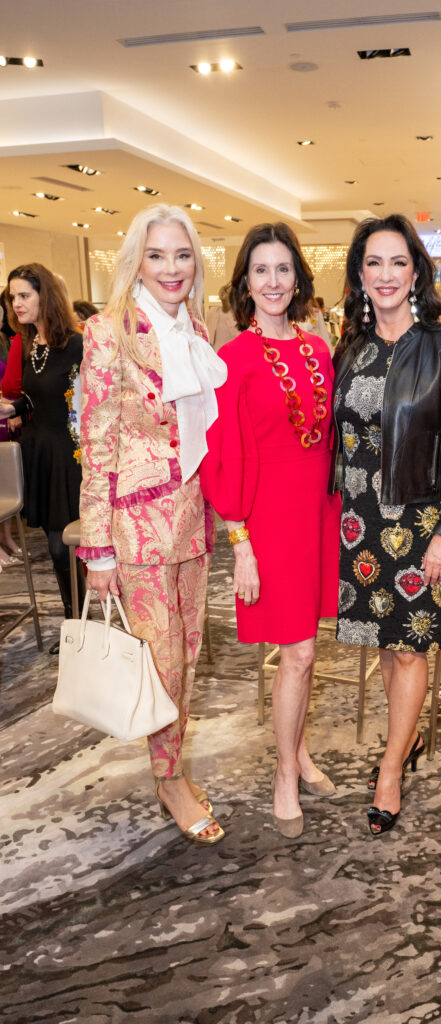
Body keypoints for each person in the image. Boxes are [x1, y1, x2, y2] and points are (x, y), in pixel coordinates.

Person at [77, 203, 228, 845]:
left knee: (189, 654)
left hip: (193, 521)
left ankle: (172, 765)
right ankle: (169, 779)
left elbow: (202, 430)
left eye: (182, 254)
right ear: (137, 258)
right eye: (158, 254)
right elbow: (98, 440)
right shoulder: (110, 330)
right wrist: (97, 548)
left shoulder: (193, 326)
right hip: (135, 527)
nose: (171, 267)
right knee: (162, 661)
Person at [331, 214, 441, 836]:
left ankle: (391, 767)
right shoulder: (352, 347)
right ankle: (408, 732)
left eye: (398, 262)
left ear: (416, 271)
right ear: (359, 274)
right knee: (388, 650)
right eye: (374, 263)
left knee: (410, 647)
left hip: (420, 522)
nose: (386, 275)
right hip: (361, 521)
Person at [200, 223, 340, 840]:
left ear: (298, 278)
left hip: (317, 512)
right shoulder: (231, 359)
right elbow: (221, 455)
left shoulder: (319, 349)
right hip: (267, 519)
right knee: (299, 652)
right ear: (245, 282)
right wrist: (242, 546)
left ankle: (300, 749)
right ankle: (285, 772)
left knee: (304, 651)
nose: (274, 282)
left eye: (284, 269)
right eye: (262, 270)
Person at [5, 264, 84, 650]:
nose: (16, 303)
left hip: (71, 455)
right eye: (13, 296)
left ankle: (84, 624)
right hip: (41, 451)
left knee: (67, 546)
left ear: (44, 297)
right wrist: (13, 407)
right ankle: (76, 625)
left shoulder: (76, 343)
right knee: (56, 547)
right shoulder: (28, 344)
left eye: (24, 295)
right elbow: (38, 395)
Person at [205, 283, 239, 350]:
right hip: (215, 355)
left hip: (231, 355)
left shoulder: (239, 316)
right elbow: (208, 338)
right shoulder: (213, 312)